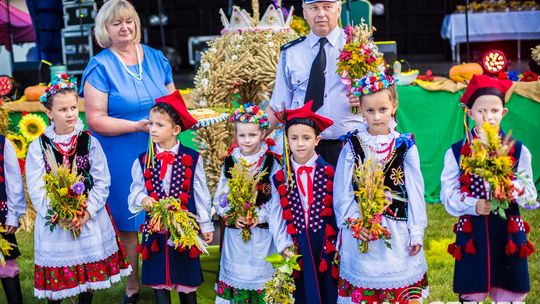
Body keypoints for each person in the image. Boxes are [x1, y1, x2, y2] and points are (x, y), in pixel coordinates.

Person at [80, 1, 175, 302]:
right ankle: (133, 286)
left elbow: (174, 103)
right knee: (129, 222)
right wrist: (135, 126)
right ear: (105, 30)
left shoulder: (158, 58)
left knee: (166, 211)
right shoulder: (100, 65)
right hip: (120, 152)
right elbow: (95, 119)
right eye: (116, 23)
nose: (125, 28)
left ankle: (168, 276)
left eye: (129, 22)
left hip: (160, 149)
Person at [26, 74, 131, 303]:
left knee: (87, 276)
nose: (70, 113)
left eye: (73, 107)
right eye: (63, 109)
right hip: (57, 221)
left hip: (86, 217)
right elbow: (36, 187)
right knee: (57, 282)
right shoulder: (39, 146)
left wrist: (87, 213)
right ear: (49, 112)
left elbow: (102, 180)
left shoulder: (88, 141)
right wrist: (58, 214)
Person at [440, 75, 537, 302]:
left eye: (494, 111)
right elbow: (448, 194)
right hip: (473, 232)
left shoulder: (519, 150)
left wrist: (514, 189)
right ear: (470, 113)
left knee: (509, 288)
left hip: (507, 231)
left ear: (503, 113)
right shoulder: (456, 152)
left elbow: (531, 195)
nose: (488, 117)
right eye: (481, 111)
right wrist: (474, 205)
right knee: (472, 287)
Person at [334, 72, 428, 303]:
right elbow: (342, 192)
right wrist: (354, 221)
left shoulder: (404, 145)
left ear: (394, 106)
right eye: (370, 111)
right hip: (361, 230)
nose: (376, 117)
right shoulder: (352, 145)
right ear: (361, 110)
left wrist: (416, 231)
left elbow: (415, 192)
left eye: (383, 110)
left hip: (396, 230)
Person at [128, 91, 214, 304]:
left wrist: (206, 224)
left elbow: (200, 193)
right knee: (159, 282)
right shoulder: (143, 160)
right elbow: (136, 190)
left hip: (184, 231)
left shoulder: (192, 158)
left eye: (159, 125)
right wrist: (142, 199)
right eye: (151, 124)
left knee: (186, 283)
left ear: (176, 130)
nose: (153, 129)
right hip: (155, 231)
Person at [265, 0, 362, 167]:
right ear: (304, 12)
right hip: (304, 152)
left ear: (338, 10)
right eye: (314, 8)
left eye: (327, 7)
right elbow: (278, 106)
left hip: (350, 146)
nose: (321, 14)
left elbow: (383, 97)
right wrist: (252, 136)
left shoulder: (359, 47)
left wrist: (364, 99)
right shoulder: (291, 53)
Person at [268, 100, 339, 304]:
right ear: (286, 140)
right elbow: (276, 215)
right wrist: (284, 245)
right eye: (294, 138)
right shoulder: (280, 177)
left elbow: (339, 211)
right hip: (297, 246)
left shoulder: (330, 172)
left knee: (329, 291)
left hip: (326, 246)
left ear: (317, 139)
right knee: (302, 293)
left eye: (306, 138)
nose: (300, 144)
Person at [213, 103, 280, 303]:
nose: (247, 140)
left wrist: (258, 216)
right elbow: (222, 195)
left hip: (262, 232)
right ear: (236, 135)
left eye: (252, 135)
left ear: (262, 134)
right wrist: (233, 214)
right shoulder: (230, 161)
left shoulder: (271, 161)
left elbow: (276, 197)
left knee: (261, 274)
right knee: (238, 275)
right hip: (237, 232)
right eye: (242, 135)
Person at [0, 133, 26, 304]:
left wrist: (13, 215)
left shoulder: (2, 144)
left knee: (6, 266)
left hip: (0, 218)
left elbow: (14, 181)